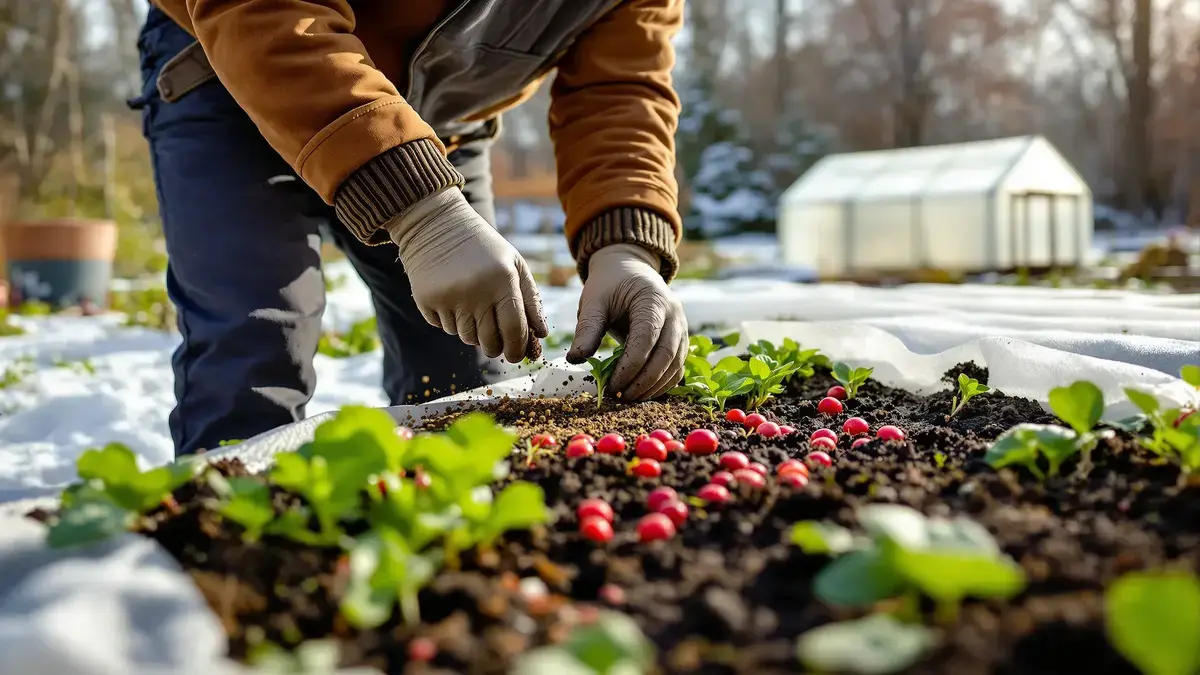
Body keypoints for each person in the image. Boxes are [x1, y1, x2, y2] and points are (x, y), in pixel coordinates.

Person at [131, 1, 689, 456]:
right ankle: (233, 568)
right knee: (251, 353)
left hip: (435, 125)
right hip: (237, 65)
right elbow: (263, 9)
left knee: (469, 381)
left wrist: (626, 246)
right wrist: (424, 216)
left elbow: (621, 88)